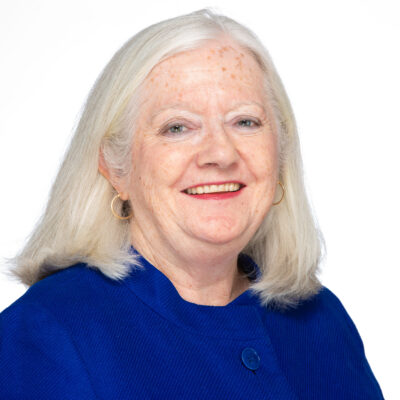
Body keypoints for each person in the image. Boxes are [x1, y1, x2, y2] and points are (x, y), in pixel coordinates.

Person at [0, 9, 384, 399]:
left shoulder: (321, 320)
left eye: (245, 122)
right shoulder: (46, 333)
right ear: (116, 169)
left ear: (280, 155)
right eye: (178, 127)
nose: (220, 153)